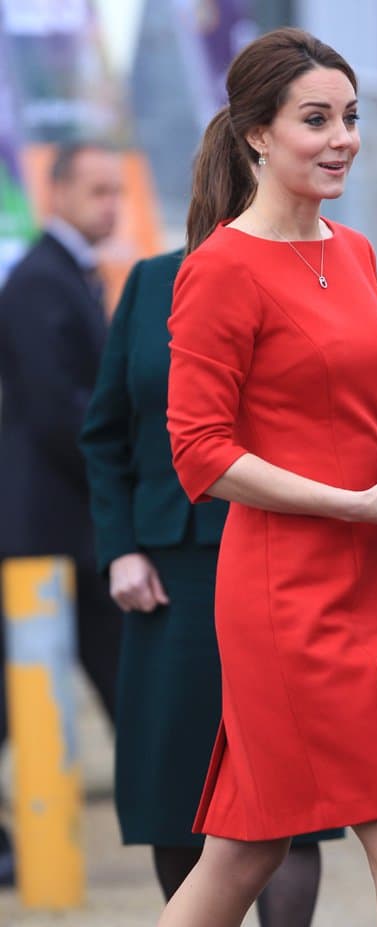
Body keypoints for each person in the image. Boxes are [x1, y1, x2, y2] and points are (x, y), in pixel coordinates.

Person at [161, 27, 377, 927]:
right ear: (256, 133)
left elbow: (350, 412)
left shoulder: (356, 251)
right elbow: (200, 452)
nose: (342, 136)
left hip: (356, 569)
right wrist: (352, 502)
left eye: (351, 116)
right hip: (284, 593)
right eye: (316, 118)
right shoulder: (220, 269)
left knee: (245, 853)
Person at [79, 248, 347, 923]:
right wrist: (119, 550)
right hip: (169, 575)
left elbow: (364, 415)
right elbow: (105, 432)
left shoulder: (324, 270)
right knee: (173, 789)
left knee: (287, 791)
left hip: (284, 562)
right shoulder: (150, 280)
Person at [0, 142, 124, 883]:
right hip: (45, 532)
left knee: (103, 680)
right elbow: (58, 412)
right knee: (26, 695)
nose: (110, 203)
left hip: (68, 528)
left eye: (117, 191)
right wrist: (125, 470)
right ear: (58, 192)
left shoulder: (71, 275)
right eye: (97, 190)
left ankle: (183, 822)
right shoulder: (40, 280)